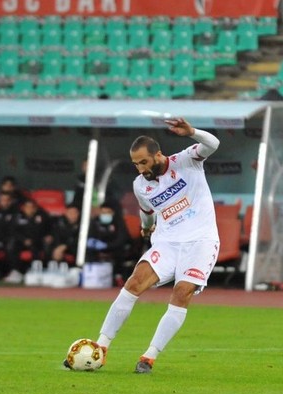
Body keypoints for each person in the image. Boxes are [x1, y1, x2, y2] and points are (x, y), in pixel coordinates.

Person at [78, 118, 221, 374]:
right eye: (135, 164)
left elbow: (213, 144)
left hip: (201, 241)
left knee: (182, 292)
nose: (140, 168)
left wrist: (192, 132)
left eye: (144, 162)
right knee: (133, 283)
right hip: (167, 242)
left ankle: (149, 357)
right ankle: (101, 347)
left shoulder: (186, 160)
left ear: (158, 154)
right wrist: (146, 227)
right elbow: (147, 211)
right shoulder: (140, 185)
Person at [3, 198, 52, 284]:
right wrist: (24, 239)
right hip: (21, 241)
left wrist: (41, 237)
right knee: (12, 245)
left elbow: (47, 230)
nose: (29, 209)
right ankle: (16, 271)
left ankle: (36, 272)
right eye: (27, 207)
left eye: (31, 207)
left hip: (37, 241)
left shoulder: (42, 216)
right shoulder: (18, 216)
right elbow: (13, 231)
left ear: (35, 208)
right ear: (24, 208)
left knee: (38, 249)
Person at [86, 201, 131, 281]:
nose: (105, 214)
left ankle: (118, 276)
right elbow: (90, 236)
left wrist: (107, 245)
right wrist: (92, 242)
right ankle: (90, 275)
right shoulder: (95, 222)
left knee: (120, 252)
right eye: (103, 212)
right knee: (88, 251)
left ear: (113, 213)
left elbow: (121, 240)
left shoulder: (119, 222)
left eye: (108, 212)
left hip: (114, 248)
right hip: (98, 250)